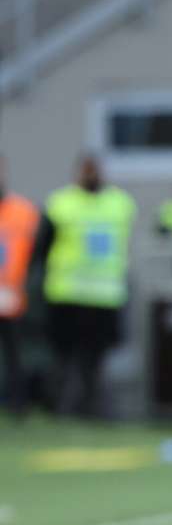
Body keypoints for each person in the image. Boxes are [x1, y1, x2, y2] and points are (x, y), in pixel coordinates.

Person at [37, 155, 136, 417]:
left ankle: (93, 410)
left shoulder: (119, 203)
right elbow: (43, 248)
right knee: (64, 359)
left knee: (96, 361)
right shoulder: (61, 203)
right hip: (67, 294)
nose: (92, 175)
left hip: (104, 295)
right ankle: (59, 409)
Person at [0, 156, 40, 416]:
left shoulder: (23, 211)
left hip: (11, 295)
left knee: (14, 354)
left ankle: (18, 405)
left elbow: (37, 252)